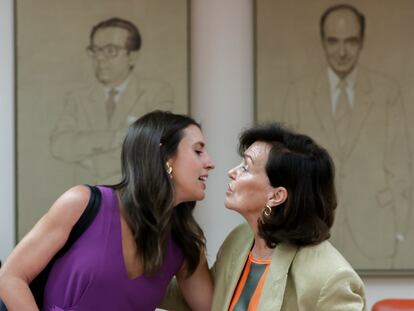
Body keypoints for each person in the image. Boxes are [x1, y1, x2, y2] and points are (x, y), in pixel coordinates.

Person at [0, 111, 214, 310]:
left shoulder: (185, 243)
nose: (210, 163)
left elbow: (218, 307)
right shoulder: (82, 203)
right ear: (165, 158)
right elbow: (10, 277)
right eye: (198, 151)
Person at [162, 123, 366, 310]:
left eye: (245, 167)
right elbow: (205, 300)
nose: (232, 172)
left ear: (277, 196)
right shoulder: (239, 239)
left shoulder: (331, 277)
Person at [283, 3, 411, 268]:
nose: (342, 52)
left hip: (376, 230)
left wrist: (400, 231)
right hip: (312, 231)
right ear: (322, 42)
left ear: (362, 41)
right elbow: (286, 170)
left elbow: (400, 167)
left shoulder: (387, 91)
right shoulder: (300, 92)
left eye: (350, 41)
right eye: (333, 41)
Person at [50, 17, 174, 185]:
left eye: (110, 50)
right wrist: (113, 138)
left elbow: (152, 146)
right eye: (95, 50)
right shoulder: (77, 98)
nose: (100, 58)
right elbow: (59, 144)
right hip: (87, 200)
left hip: (136, 198)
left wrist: (95, 163)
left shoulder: (156, 93)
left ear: (132, 56)